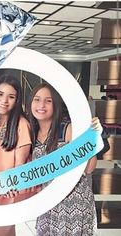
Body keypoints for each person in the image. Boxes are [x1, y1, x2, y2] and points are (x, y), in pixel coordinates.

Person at [28, 83, 100, 236]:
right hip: (48, 202)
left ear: (56, 105)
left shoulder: (67, 129)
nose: (41, 105)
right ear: (30, 103)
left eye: (48, 101)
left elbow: (89, 168)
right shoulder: (30, 132)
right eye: (37, 99)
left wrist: (91, 138)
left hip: (73, 201)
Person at [0, 74, 32, 236]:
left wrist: (12, 184)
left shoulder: (22, 124)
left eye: (11, 96)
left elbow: (20, 164)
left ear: (17, 100)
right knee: (6, 230)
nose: (4, 100)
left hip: (12, 186)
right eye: (0, 94)